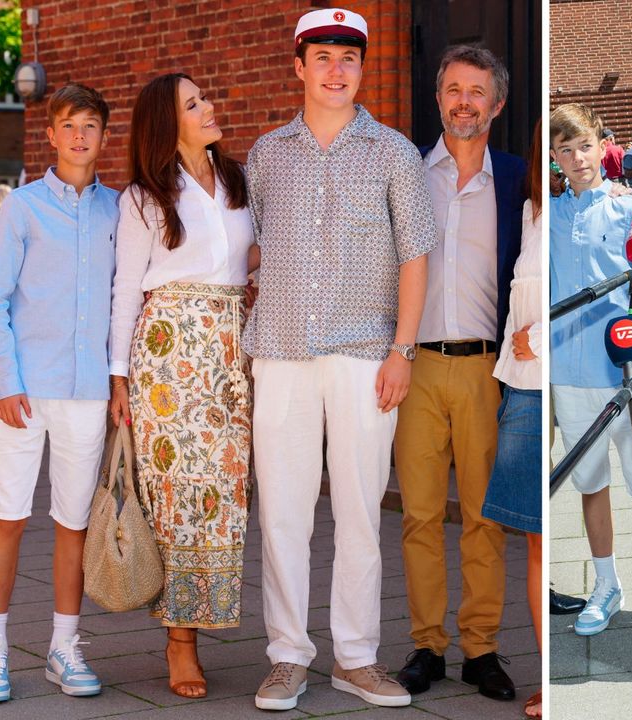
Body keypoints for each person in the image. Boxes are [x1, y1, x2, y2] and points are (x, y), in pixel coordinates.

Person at [245, 8, 434, 711]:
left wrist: (402, 351)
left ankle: (355, 658)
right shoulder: (267, 155)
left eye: (348, 58)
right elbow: (252, 250)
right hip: (282, 354)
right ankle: (287, 657)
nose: (335, 70)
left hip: (365, 356)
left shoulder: (393, 153)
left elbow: (416, 256)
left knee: (359, 512)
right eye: (321, 57)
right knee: (283, 516)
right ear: (299, 67)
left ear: (362, 68)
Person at [107, 72, 257, 700]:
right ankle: (180, 640)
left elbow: (254, 257)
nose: (210, 108)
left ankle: (201, 615)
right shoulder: (142, 198)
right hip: (167, 358)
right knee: (174, 494)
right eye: (193, 105)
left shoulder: (239, 180)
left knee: (223, 494)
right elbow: (124, 291)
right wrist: (118, 378)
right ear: (168, 125)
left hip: (229, 353)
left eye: (205, 99)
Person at [0, 83, 119, 704]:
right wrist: (7, 380)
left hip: (86, 393)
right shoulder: (24, 208)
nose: (80, 135)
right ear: (51, 135)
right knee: (8, 519)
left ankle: (64, 646)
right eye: (68, 124)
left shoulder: (119, 209)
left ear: (103, 135)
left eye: (91, 124)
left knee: (74, 524)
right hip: (24, 391)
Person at [395, 44, 523, 703]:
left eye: (477, 91)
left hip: (484, 370)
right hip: (415, 369)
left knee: (483, 515)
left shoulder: (517, 180)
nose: (463, 101)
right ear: (438, 98)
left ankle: (481, 649)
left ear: (496, 105)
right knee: (418, 514)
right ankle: (426, 647)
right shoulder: (407, 173)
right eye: (452, 89)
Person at [550, 102, 632, 643]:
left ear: (603, 147)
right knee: (590, 483)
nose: (578, 158)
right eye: (565, 149)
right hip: (568, 371)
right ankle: (606, 584)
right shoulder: (550, 214)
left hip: (623, 369)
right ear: (554, 158)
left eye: (585, 146)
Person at [480, 117, 545, 720]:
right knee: (533, 533)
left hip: (566, 382)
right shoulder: (528, 211)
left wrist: (543, 335)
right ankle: (548, 676)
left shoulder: (586, 212)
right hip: (521, 387)